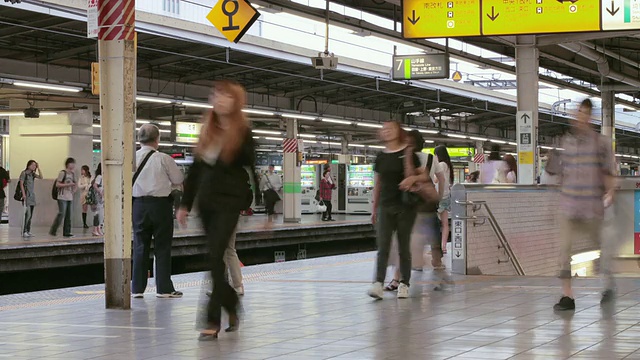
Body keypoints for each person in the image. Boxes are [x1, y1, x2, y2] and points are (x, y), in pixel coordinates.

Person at [176, 80, 256, 340]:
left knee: (214, 259)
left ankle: (211, 320)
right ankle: (232, 306)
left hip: (229, 203)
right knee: (214, 261)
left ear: (236, 102)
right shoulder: (207, 131)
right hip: (207, 204)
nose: (220, 99)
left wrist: (257, 205)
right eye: (217, 95)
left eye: (226, 96)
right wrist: (185, 204)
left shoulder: (243, 132)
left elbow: (251, 168)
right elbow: (196, 171)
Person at [554, 98, 617, 311]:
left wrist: (610, 192)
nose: (579, 118)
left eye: (584, 114)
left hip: (592, 208)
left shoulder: (601, 143)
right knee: (564, 250)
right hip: (569, 205)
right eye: (577, 114)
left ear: (590, 118)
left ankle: (607, 285)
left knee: (601, 248)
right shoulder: (566, 143)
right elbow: (560, 172)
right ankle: (567, 296)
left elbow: (608, 173)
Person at [368, 121, 421, 300]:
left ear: (399, 131)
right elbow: (377, 183)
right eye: (384, 129)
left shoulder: (409, 153)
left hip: (406, 206)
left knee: (403, 247)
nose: (387, 131)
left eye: (390, 128)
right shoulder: (380, 157)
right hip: (385, 205)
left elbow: (422, 176)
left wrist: (411, 178)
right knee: (383, 246)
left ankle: (404, 283)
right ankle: (377, 283)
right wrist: (374, 208)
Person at [385, 131, 444, 292]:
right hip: (427, 207)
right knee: (434, 245)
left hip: (407, 206)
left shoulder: (404, 157)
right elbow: (442, 179)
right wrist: (438, 197)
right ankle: (438, 280)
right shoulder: (431, 158)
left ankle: (396, 280)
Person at [132, 124, 184, 299]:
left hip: (138, 206)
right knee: (162, 247)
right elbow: (178, 179)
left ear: (139, 139)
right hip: (160, 206)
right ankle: (163, 289)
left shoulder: (132, 158)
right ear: (157, 139)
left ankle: (137, 289)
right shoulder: (163, 158)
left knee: (140, 246)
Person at [49, 157, 77, 238]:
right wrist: (68, 185)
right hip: (62, 196)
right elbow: (58, 184)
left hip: (69, 197)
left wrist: (74, 190)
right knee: (62, 213)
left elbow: (75, 183)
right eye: (72, 163)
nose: (73, 165)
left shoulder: (73, 174)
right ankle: (53, 230)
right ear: (68, 164)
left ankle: (67, 232)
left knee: (69, 215)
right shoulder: (62, 173)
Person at [434, 145, 454, 255]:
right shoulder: (448, 165)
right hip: (446, 196)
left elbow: (436, 179)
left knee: (434, 223)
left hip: (439, 196)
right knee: (445, 224)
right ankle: (444, 246)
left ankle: (437, 247)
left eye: (435, 154)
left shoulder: (441, 164)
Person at [19, 160, 42, 238]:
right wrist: (23, 194)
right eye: (33, 165)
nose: (34, 166)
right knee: (28, 214)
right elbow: (21, 184)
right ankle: (24, 231)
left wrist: (39, 168)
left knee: (31, 215)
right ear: (28, 165)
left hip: (32, 196)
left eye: (35, 165)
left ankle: (28, 230)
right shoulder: (24, 173)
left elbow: (41, 177)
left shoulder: (32, 174)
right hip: (26, 196)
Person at [91, 163, 104, 237]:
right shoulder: (99, 177)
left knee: (100, 214)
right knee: (97, 213)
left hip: (100, 197)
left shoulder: (101, 176)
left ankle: (98, 229)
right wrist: (100, 192)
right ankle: (95, 229)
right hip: (99, 197)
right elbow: (95, 185)